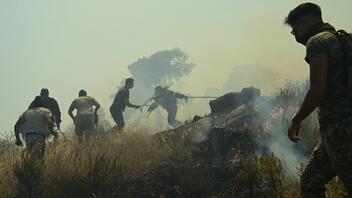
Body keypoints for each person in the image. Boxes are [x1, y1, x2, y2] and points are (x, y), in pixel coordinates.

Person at [285, 3, 352, 197]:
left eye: (294, 29)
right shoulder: (344, 38)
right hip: (336, 134)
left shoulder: (317, 43)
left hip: (340, 132)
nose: (295, 35)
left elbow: (317, 89)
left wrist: (297, 119)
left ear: (305, 23)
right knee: (310, 181)